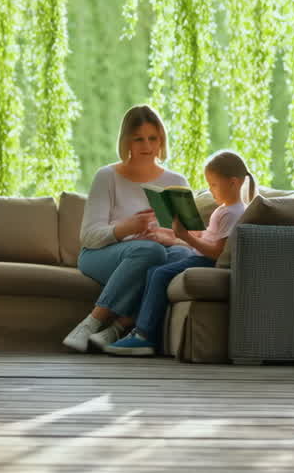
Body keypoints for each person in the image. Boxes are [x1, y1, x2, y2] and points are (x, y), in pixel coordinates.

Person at [63, 105, 198, 353]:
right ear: (127, 142)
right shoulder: (107, 176)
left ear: (162, 140)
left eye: (153, 138)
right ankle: (92, 322)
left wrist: (167, 237)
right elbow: (89, 237)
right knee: (150, 252)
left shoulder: (176, 182)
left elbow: (191, 242)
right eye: (138, 139)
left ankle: (118, 330)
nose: (147, 146)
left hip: (157, 251)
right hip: (101, 255)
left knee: (180, 258)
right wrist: (126, 228)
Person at [105, 150, 256, 356]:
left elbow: (217, 253)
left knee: (158, 274)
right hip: (199, 256)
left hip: (207, 262)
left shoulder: (233, 213)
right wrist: (174, 235)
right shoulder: (224, 210)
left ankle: (144, 336)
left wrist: (186, 237)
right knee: (154, 272)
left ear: (234, 183)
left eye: (214, 184)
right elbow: (207, 239)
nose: (211, 190)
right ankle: (141, 332)